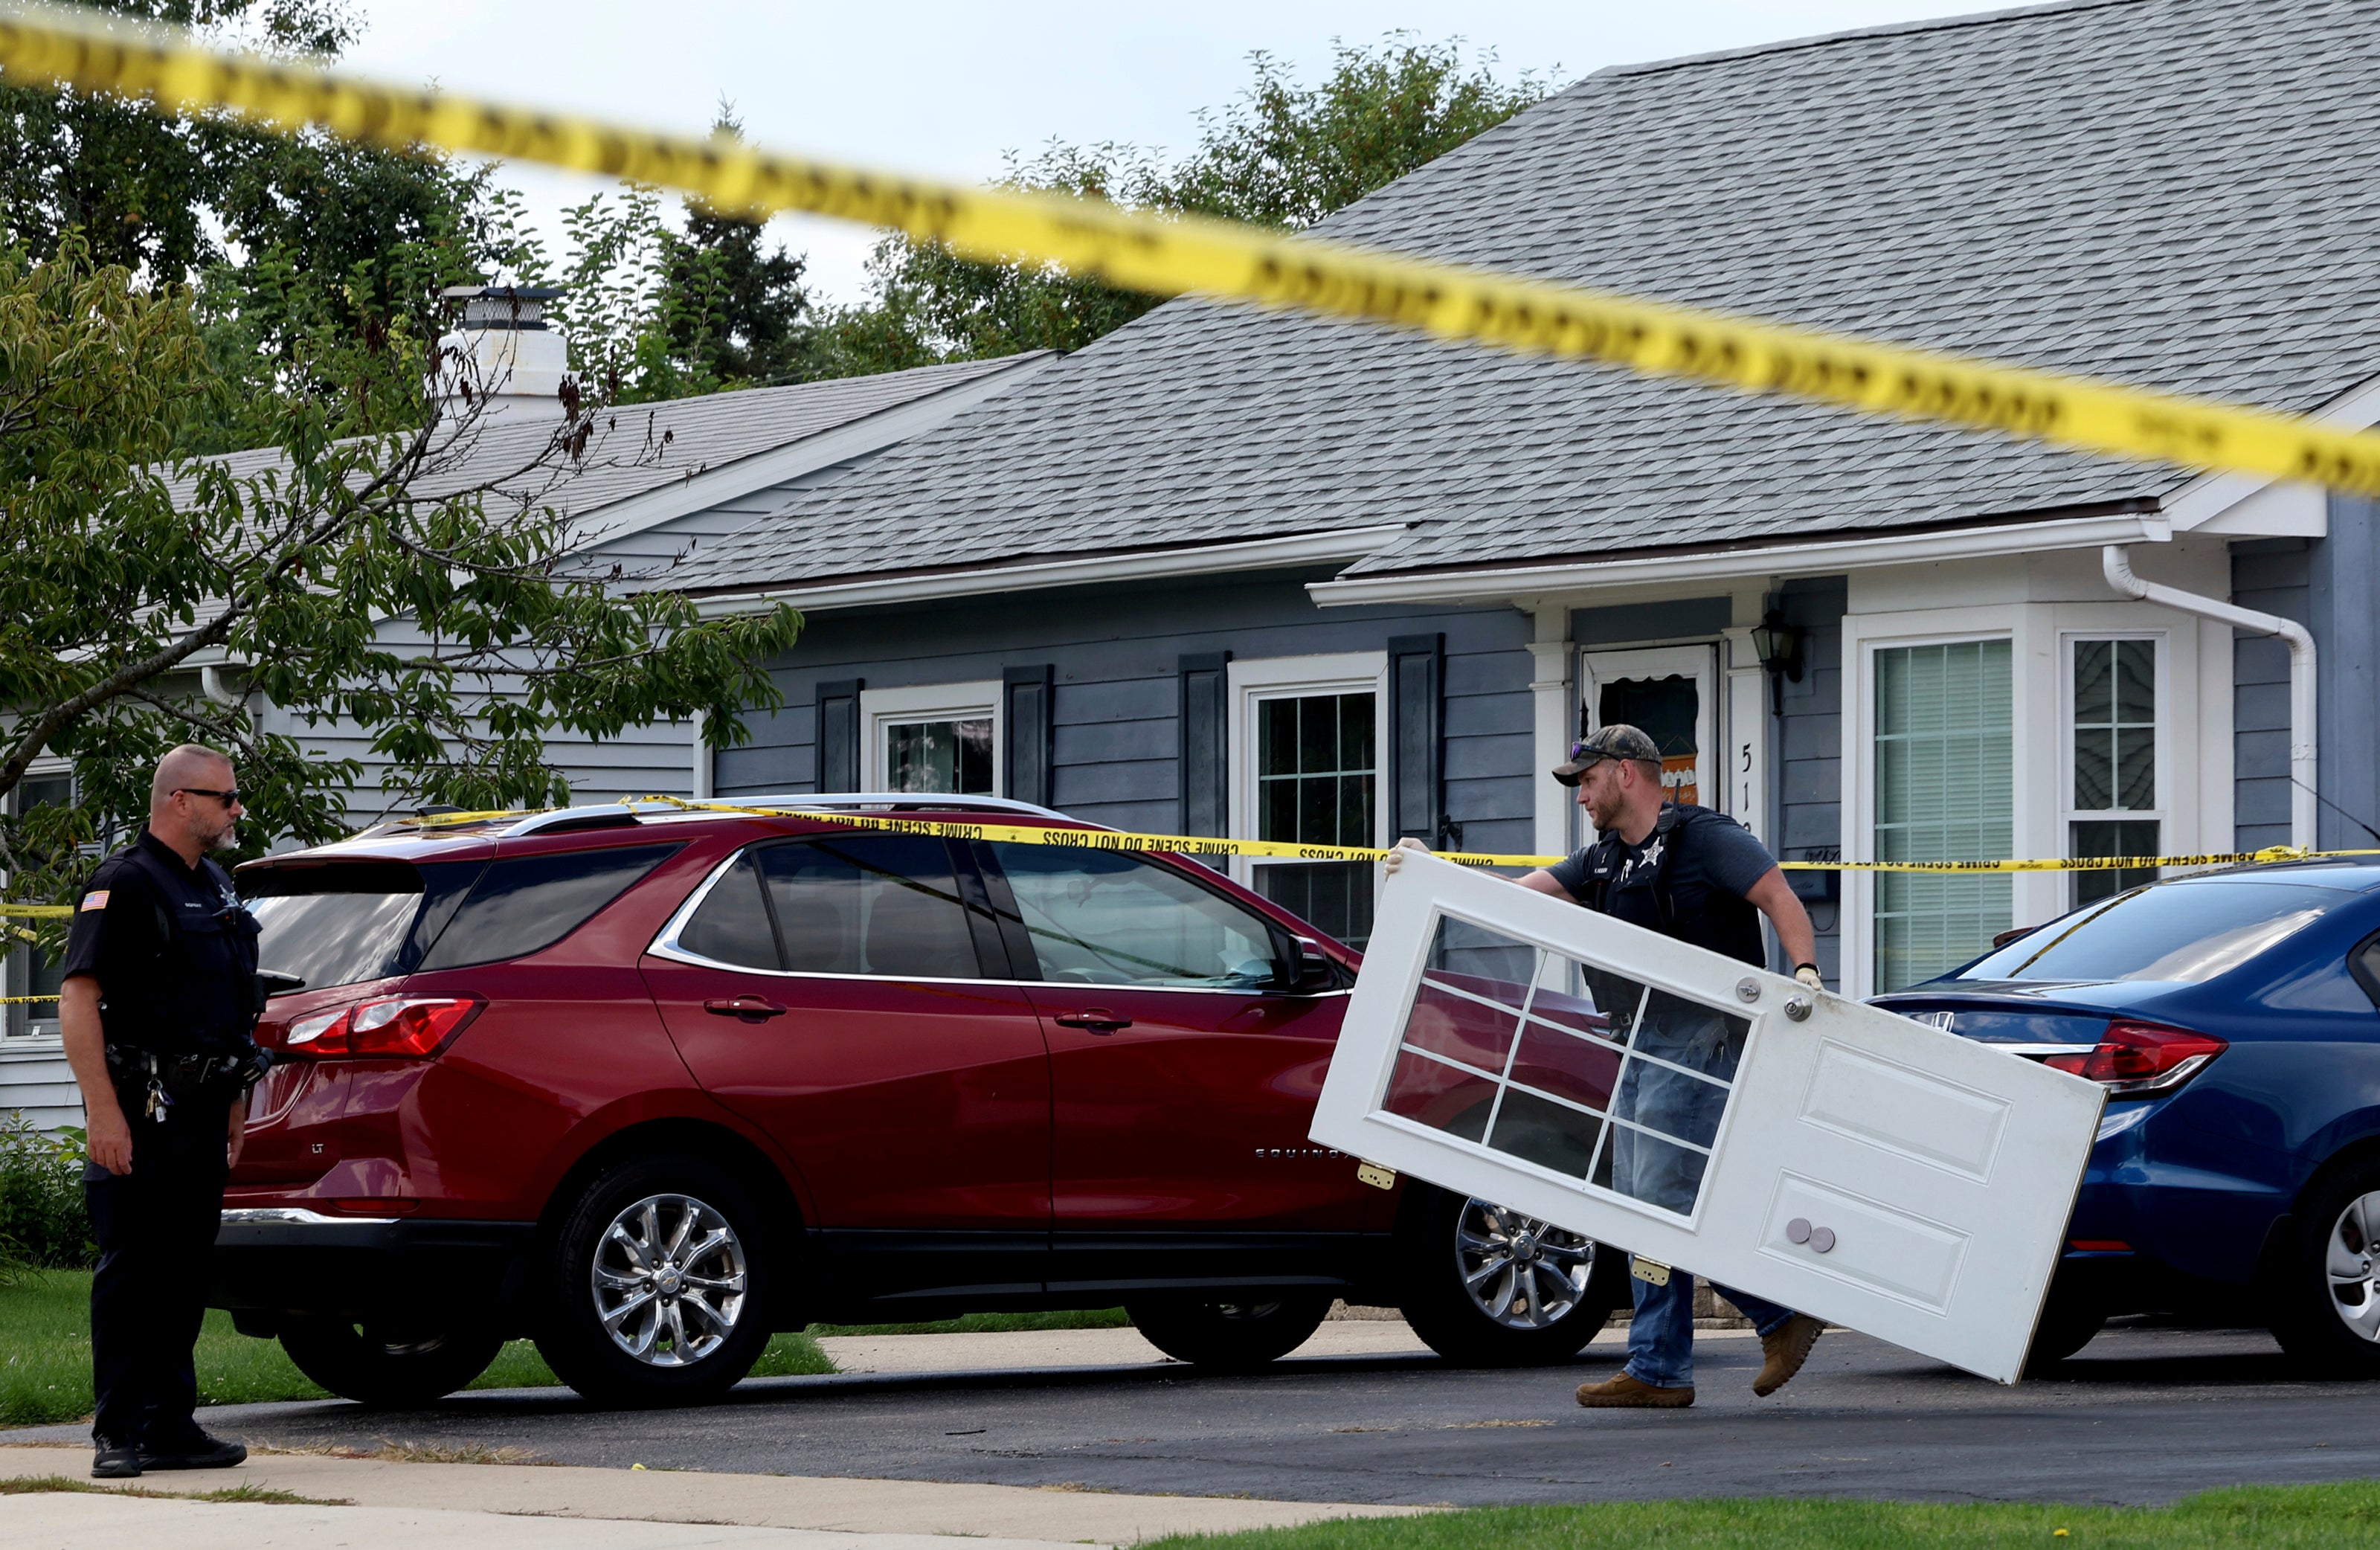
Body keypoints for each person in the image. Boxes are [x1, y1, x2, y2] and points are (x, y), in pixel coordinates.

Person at [1386, 724, 1827, 1410]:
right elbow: (1508, 897)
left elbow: (1780, 899)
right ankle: (1685, 1355)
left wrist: (1805, 974)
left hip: (1702, 1036)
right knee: (1638, 1206)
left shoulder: (1704, 838)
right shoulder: (1601, 863)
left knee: (1660, 1199)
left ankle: (1725, 1336)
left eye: (1587, 781)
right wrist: (1429, 874)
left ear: (1626, 773)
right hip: (1638, 1037)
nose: (1581, 796)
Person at [59, 745, 268, 1478]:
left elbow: (232, 1006)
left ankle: (171, 1426)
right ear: (180, 799)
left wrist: (236, 1104)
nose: (236, 808)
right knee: (132, 1272)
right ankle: (118, 1431)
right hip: (139, 1110)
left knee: (183, 1273)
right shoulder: (124, 882)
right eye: (224, 797)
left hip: (203, 1108)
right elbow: (79, 996)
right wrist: (101, 1111)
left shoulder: (213, 884)